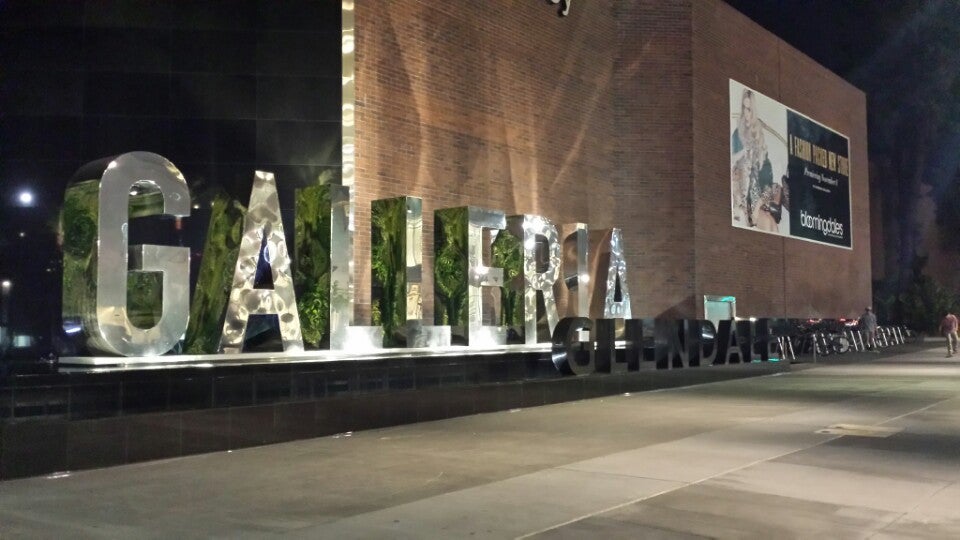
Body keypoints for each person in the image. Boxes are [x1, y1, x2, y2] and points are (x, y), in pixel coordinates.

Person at [731, 88, 774, 228]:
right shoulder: (737, 134)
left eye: (749, 109)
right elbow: (732, 162)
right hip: (742, 193)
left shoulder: (759, 138)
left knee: (770, 223)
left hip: (759, 196)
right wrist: (744, 151)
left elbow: (768, 182)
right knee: (766, 222)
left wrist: (757, 208)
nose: (746, 113)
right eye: (744, 108)